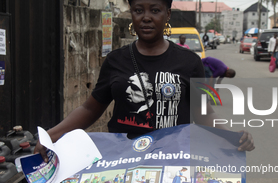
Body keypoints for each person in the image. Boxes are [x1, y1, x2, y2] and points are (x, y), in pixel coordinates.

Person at [34, 0, 254, 161]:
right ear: (132, 13)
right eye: (139, 10)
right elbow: (90, 108)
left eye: (155, 10)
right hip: (123, 160)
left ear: (167, 14)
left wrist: (232, 137)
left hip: (173, 161)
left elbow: (205, 113)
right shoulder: (115, 60)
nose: (146, 17)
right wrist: (52, 135)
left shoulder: (191, 62)